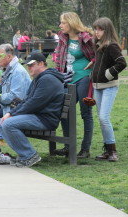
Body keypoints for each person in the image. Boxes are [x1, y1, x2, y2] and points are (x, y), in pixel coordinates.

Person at [0, 52, 65, 167]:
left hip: (45, 119)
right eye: (27, 65)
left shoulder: (47, 79)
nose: (29, 68)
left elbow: (34, 104)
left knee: (8, 124)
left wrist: (12, 114)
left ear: (41, 63)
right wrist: (10, 112)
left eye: (32, 65)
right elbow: (27, 100)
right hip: (38, 116)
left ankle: (30, 156)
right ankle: (24, 156)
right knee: (0, 122)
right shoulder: (39, 79)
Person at [53, 12, 95, 158]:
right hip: (67, 79)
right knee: (65, 112)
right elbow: (58, 58)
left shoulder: (85, 37)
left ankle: (85, 149)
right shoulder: (63, 38)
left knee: (86, 113)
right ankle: (68, 146)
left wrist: (93, 63)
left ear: (71, 23)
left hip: (83, 78)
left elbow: (97, 54)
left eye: (63, 22)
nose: (60, 25)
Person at [92, 17, 127, 162]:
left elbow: (122, 63)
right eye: (95, 29)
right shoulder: (99, 45)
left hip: (109, 87)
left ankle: (113, 151)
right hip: (97, 88)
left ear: (107, 30)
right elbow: (102, 62)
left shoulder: (112, 45)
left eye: (100, 29)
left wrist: (108, 74)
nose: (97, 32)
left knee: (103, 118)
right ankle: (107, 150)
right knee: (101, 119)